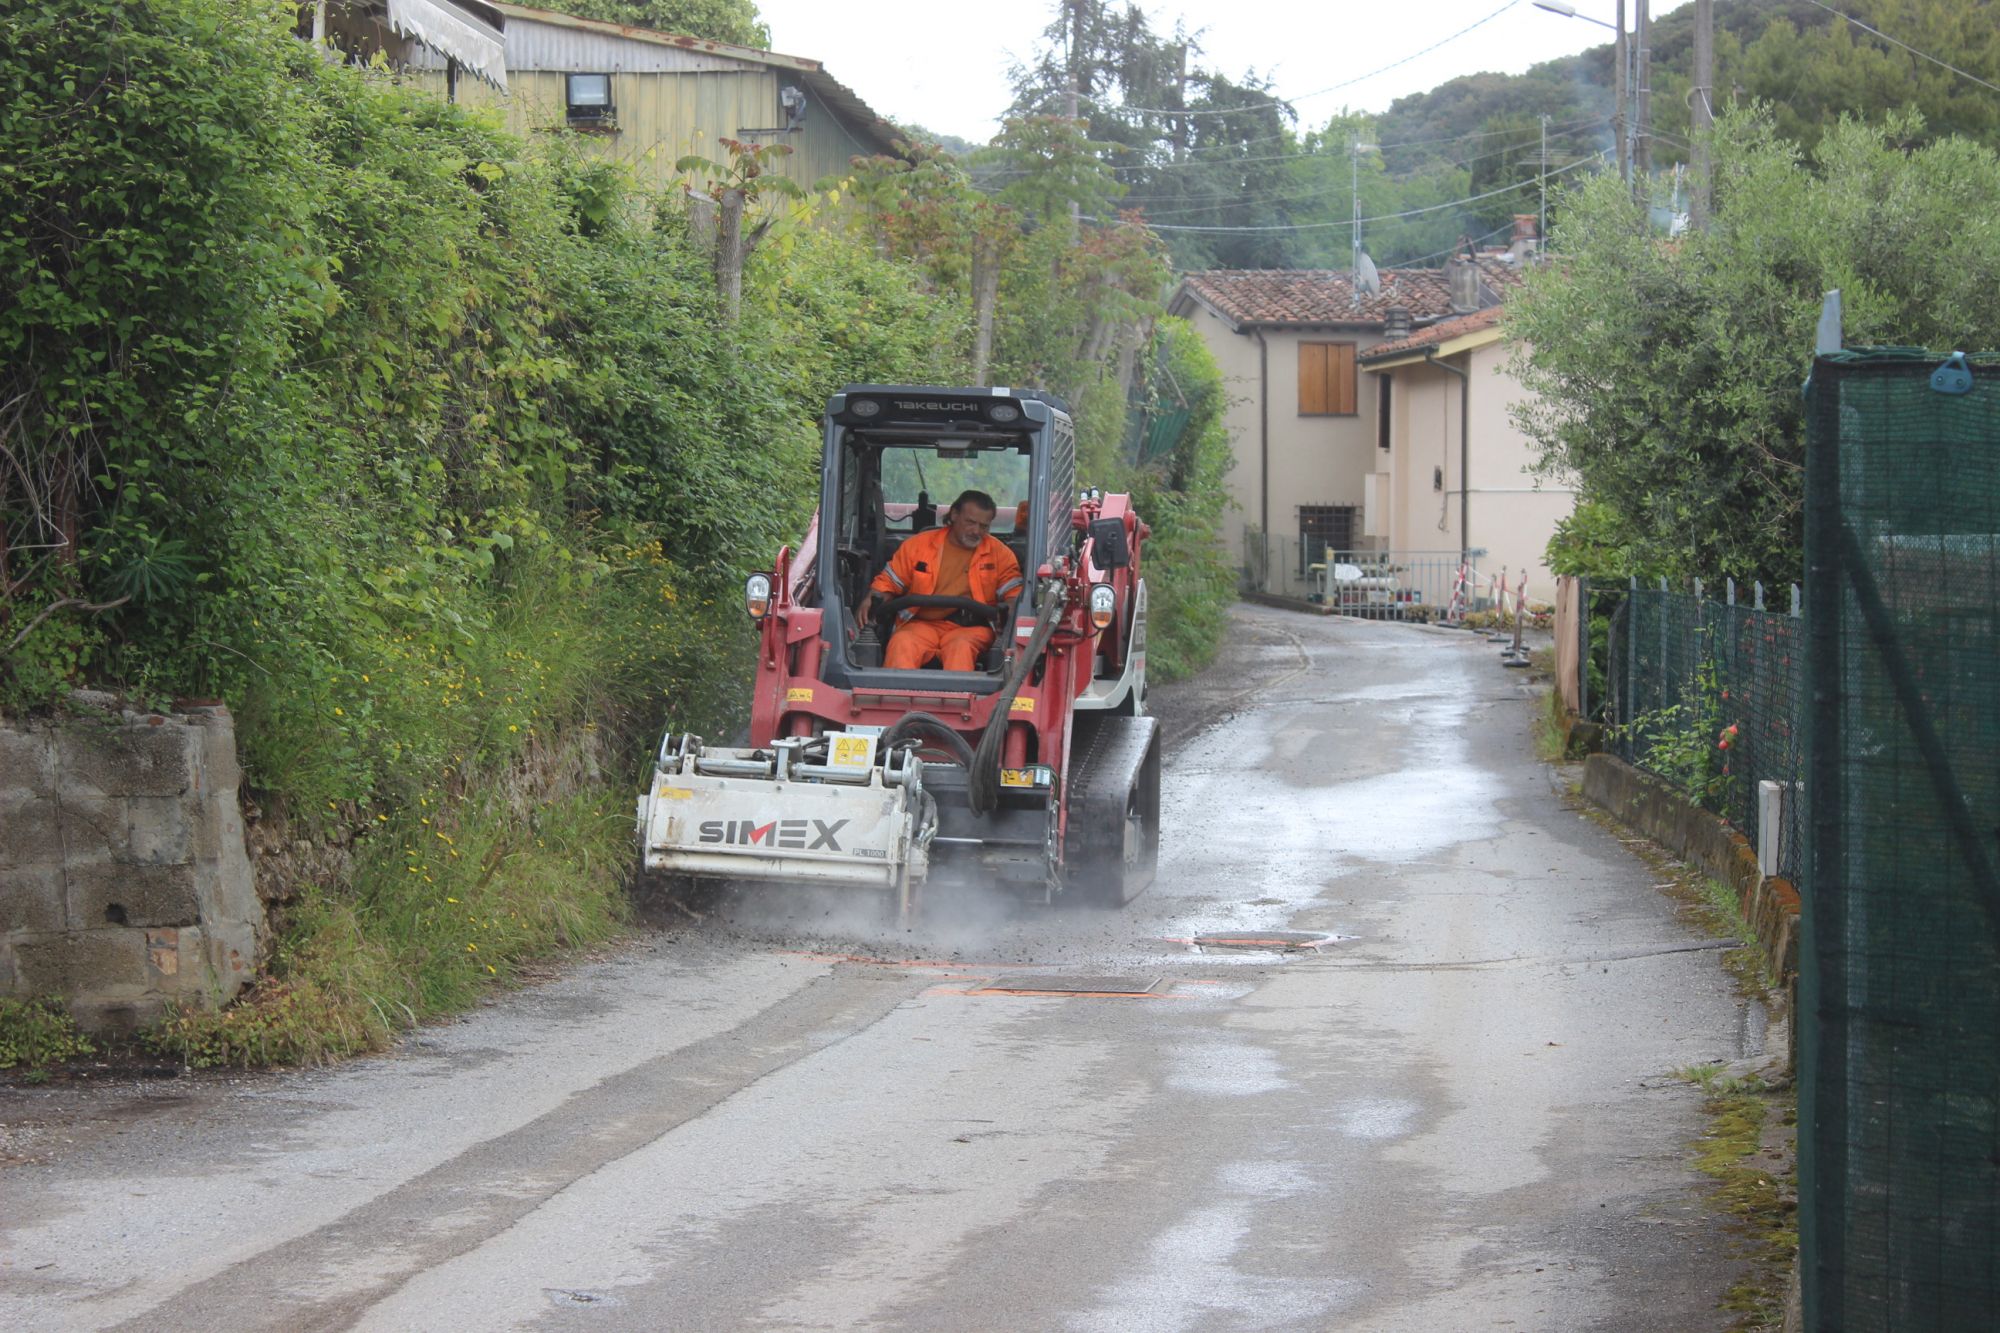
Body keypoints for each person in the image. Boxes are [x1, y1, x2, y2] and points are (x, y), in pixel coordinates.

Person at [859, 489, 1023, 671]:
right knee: (902, 642)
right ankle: (895, 699)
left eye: (984, 526)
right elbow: (888, 582)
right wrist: (872, 599)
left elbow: (1014, 596)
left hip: (971, 628)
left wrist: (1009, 615)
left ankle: (957, 698)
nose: (976, 531)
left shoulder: (1000, 555)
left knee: (960, 647)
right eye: (970, 522)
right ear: (953, 515)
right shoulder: (917, 546)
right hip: (921, 624)